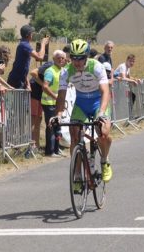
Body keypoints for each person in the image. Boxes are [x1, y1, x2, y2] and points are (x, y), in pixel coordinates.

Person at [51, 39, 113, 186]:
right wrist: (58, 115)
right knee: (74, 136)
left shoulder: (96, 66)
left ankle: (104, 160)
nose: (77, 62)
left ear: (86, 57)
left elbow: (105, 91)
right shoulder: (66, 71)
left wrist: (102, 112)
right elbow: (61, 95)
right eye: (74, 58)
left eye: (80, 58)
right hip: (81, 104)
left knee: (103, 133)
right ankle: (78, 174)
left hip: (98, 103)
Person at [41, 50, 67, 157]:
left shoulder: (63, 70)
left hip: (58, 104)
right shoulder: (50, 71)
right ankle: (50, 151)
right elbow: (45, 86)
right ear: (54, 59)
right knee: (51, 126)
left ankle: (57, 149)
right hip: (49, 103)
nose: (60, 60)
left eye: (62, 58)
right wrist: (55, 97)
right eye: (58, 58)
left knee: (58, 126)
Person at [7, 25, 48, 89]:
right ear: (28, 35)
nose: (32, 34)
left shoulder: (24, 44)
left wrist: (27, 82)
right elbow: (40, 57)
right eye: (31, 33)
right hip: (16, 81)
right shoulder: (24, 45)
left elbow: (23, 67)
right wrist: (43, 44)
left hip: (19, 80)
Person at [29, 58, 54, 150]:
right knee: (34, 119)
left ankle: (37, 145)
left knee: (38, 120)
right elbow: (33, 72)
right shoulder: (50, 64)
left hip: (41, 94)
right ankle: (31, 145)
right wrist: (43, 84)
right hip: (35, 91)